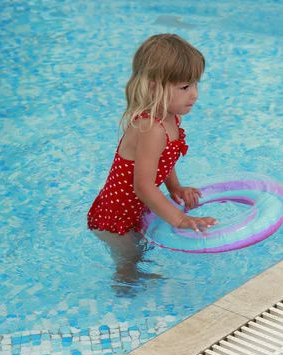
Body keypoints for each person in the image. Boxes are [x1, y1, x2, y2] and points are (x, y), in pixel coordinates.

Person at [87, 33, 217, 286]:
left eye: (195, 85)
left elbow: (162, 164)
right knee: (130, 260)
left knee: (142, 251)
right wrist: (180, 219)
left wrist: (175, 188)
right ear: (155, 86)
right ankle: (125, 292)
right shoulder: (151, 129)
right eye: (185, 87)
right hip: (115, 217)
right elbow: (143, 186)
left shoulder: (171, 118)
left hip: (135, 210)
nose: (195, 94)